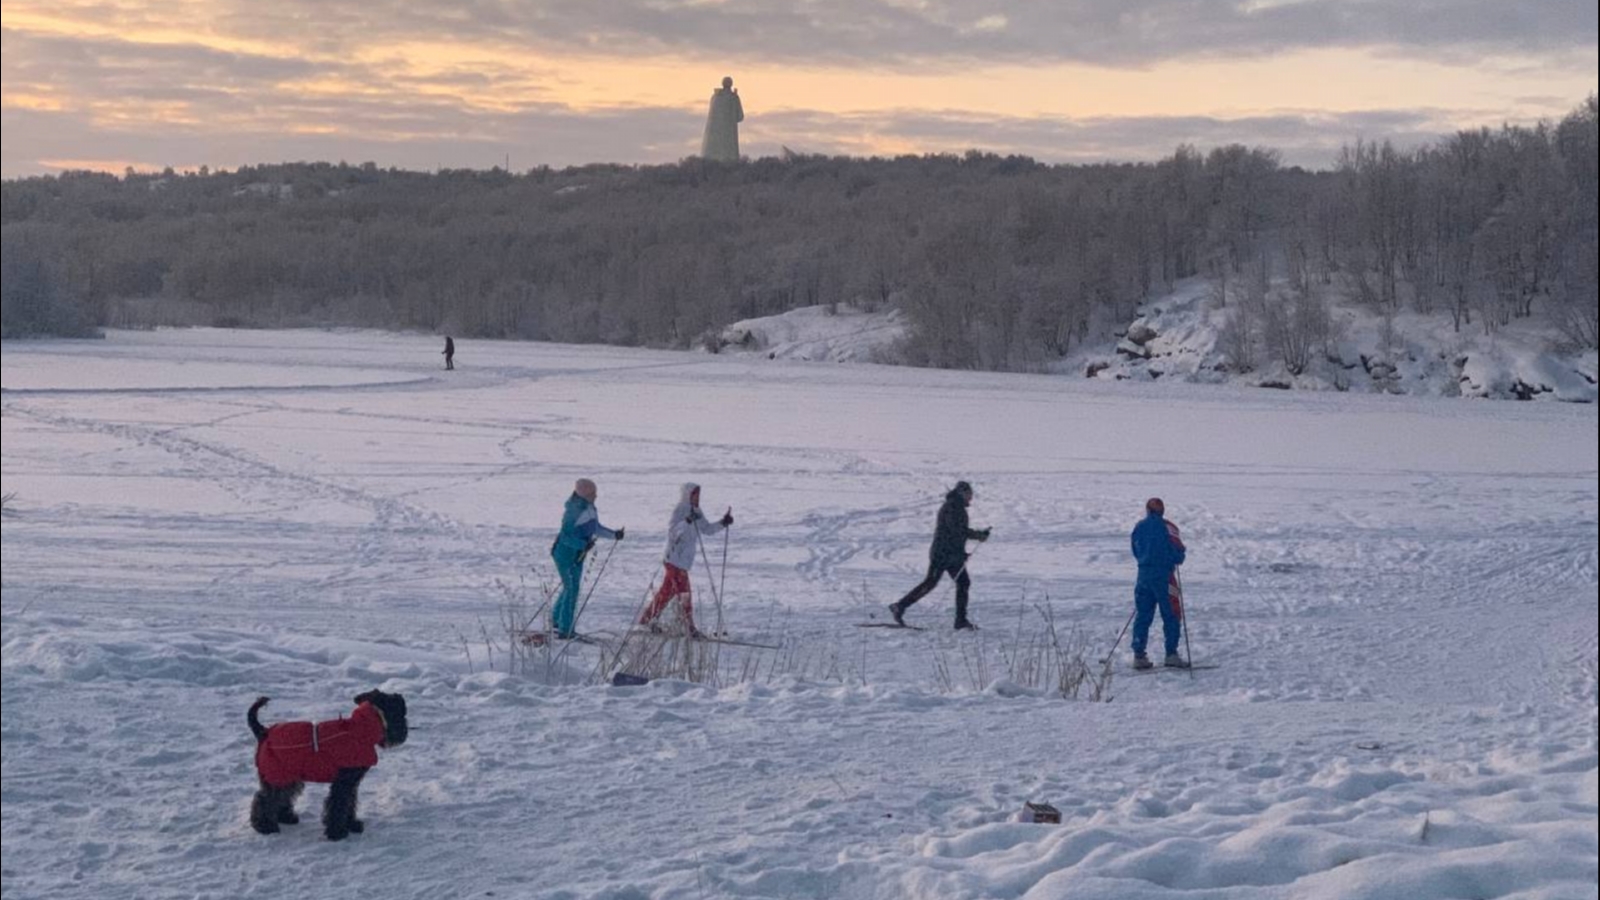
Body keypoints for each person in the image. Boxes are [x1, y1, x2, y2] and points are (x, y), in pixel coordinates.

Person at [889, 481, 990, 630]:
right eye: (969, 494)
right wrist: (978, 535)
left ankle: (960, 621)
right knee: (932, 583)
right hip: (943, 554)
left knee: (961, 583)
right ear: (962, 493)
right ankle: (900, 606)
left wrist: (966, 547)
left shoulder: (957, 507)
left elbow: (957, 533)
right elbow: (956, 531)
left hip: (951, 555)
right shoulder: (952, 507)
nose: (971, 498)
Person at [640, 482, 732, 636]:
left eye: (698, 495)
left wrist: (723, 523)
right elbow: (673, 533)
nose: (697, 498)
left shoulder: (697, 511)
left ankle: (646, 621)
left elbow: (707, 529)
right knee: (684, 593)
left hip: (683, 561)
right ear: (687, 495)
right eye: (695, 495)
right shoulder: (680, 510)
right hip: (673, 559)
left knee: (666, 592)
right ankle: (688, 627)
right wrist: (687, 521)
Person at [549, 478, 623, 639]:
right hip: (564, 555)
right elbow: (565, 537)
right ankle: (565, 630)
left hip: (577, 556)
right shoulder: (573, 512)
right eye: (592, 493)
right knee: (571, 590)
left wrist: (614, 535)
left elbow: (595, 528)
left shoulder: (589, 507)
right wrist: (582, 544)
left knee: (570, 587)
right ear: (584, 494)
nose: (596, 496)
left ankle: (556, 620)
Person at [1130, 497, 1188, 669]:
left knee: (1143, 614)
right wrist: (1175, 557)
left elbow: (1135, 549)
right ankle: (1171, 653)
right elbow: (1178, 552)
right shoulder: (1169, 527)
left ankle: (1139, 655)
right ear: (1162, 510)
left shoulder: (1139, 527)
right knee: (1172, 614)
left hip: (1143, 575)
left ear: (1147, 510)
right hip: (1164, 576)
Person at [701, 76, 744, 162]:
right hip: (729, 139)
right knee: (729, 155)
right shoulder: (733, 98)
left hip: (714, 139)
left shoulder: (715, 97)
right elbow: (740, 116)